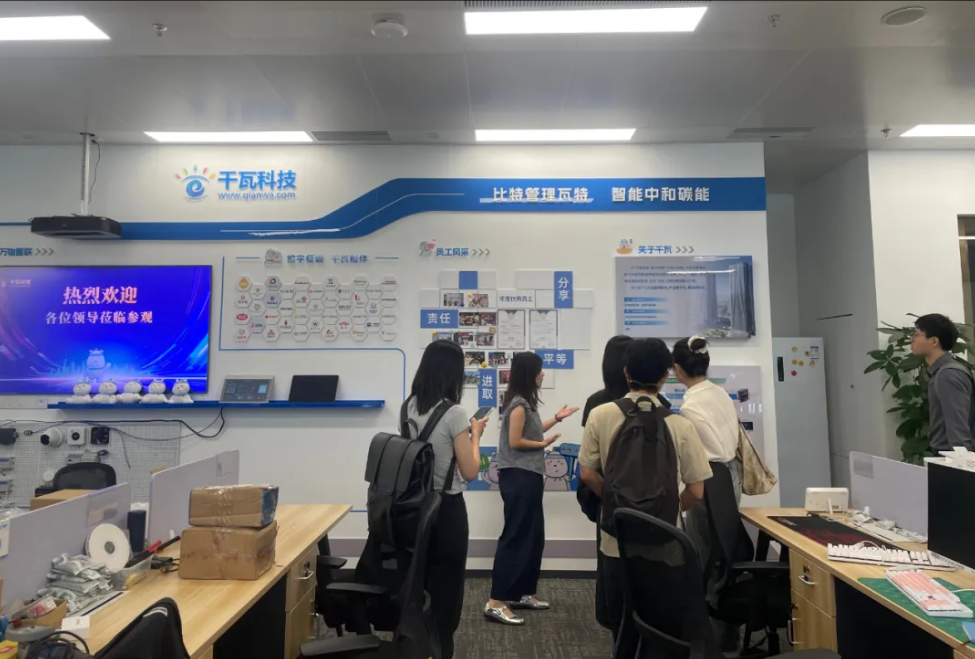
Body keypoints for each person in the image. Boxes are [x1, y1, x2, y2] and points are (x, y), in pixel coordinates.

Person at [578, 338, 712, 646]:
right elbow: (697, 490)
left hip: (617, 539)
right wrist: (667, 507)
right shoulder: (679, 424)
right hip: (666, 541)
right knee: (662, 625)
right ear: (665, 376)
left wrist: (616, 502)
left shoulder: (600, 414)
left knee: (622, 622)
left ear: (626, 372)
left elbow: (587, 473)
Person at [404, 340, 489, 659]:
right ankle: (440, 651)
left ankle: (417, 647)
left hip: (415, 508)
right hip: (446, 511)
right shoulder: (455, 413)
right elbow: (470, 471)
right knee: (446, 596)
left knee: (420, 585)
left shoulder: (408, 406)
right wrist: (475, 436)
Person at [485, 352, 579, 625]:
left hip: (529, 474)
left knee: (533, 535)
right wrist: (542, 445)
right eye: (540, 371)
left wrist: (557, 418)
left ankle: (523, 592)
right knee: (516, 536)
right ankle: (495, 601)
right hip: (518, 476)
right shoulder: (518, 405)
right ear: (530, 374)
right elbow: (516, 441)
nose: (543, 374)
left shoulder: (526, 404)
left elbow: (532, 431)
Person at [673, 335, 742, 502]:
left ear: (678, 369)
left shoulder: (689, 408)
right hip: (733, 475)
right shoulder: (721, 393)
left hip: (711, 483)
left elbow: (700, 457)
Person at [911, 314, 975, 452]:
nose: (912, 339)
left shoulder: (948, 375)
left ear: (934, 341)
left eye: (916, 335)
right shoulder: (941, 372)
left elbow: (958, 428)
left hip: (951, 459)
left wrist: (962, 462)